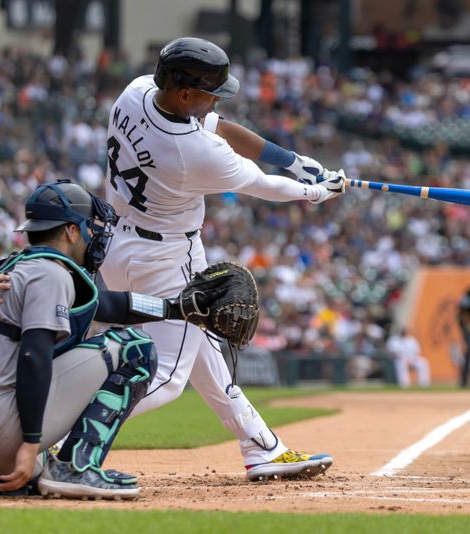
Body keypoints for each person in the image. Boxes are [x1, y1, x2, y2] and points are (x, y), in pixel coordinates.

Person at [99, 37, 342, 481]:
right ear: (184, 92)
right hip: (167, 254)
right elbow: (264, 187)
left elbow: (220, 125)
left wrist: (292, 160)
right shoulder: (192, 153)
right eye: (210, 91)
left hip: (118, 243)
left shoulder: (135, 91)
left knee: (205, 345)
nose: (216, 100)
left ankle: (261, 445)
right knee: (167, 377)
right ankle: (60, 436)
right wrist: (317, 190)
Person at [0, 180, 204, 499]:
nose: (94, 235)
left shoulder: (9, 269)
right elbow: (34, 356)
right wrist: (29, 443)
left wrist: (178, 308)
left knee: (37, 471)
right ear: (71, 231)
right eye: (89, 227)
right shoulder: (51, 273)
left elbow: (111, 304)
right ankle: (77, 466)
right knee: (134, 349)